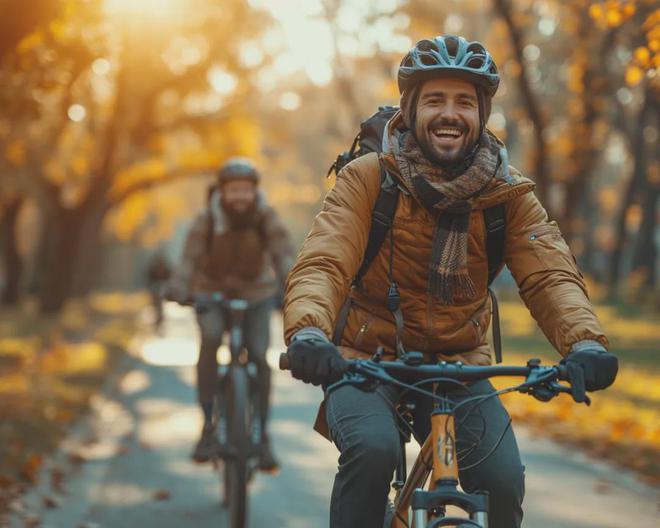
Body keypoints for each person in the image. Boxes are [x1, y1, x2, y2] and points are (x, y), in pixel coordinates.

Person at [282, 35, 618, 528]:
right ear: (412, 108)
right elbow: (324, 262)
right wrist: (309, 332)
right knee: (372, 453)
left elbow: (550, 275)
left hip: (460, 363)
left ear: (481, 114)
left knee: (502, 479)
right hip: (365, 360)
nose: (449, 113)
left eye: (464, 102)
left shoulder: (507, 193)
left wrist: (585, 343)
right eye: (435, 100)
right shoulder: (368, 178)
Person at [167, 157, 294, 469]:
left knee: (260, 355)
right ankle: (208, 425)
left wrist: (292, 288)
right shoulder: (207, 218)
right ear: (221, 191)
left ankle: (262, 435)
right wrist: (180, 287)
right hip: (211, 290)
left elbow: (283, 253)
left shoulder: (266, 217)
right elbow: (190, 257)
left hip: (257, 294)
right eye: (233, 190)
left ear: (254, 191)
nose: (240, 196)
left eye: (245, 190)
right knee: (210, 339)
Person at [145, 249, 171, 330]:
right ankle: (158, 318)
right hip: (155, 288)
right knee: (156, 304)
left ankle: (160, 318)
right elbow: (148, 277)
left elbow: (169, 275)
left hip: (161, 288)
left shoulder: (165, 266)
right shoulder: (153, 267)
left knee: (159, 304)